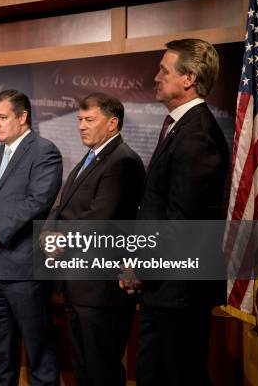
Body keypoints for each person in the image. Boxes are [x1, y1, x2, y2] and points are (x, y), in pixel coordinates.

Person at [129, 39, 229, 386]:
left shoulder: (197, 135)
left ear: (188, 79)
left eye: (163, 70)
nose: (155, 77)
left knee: (178, 375)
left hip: (181, 290)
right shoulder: (181, 126)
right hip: (167, 286)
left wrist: (139, 264)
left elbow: (180, 222)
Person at [0, 89, 63, 385]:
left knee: (39, 352)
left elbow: (37, 202)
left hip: (24, 269)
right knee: (1, 355)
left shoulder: (44, 151)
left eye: (2, 117)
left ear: (22, 117)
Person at [46, 93, 144, 386]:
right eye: (79, 120)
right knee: (84, 368)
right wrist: (48, 236)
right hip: (78, 285)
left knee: (102, 371)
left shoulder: (123, 161)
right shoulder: (91, 158)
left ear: (112, 123)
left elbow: (99, 219)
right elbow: (61, 207)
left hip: (101, 289)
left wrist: (58, 240)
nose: (81, 126)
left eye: (90, 120)